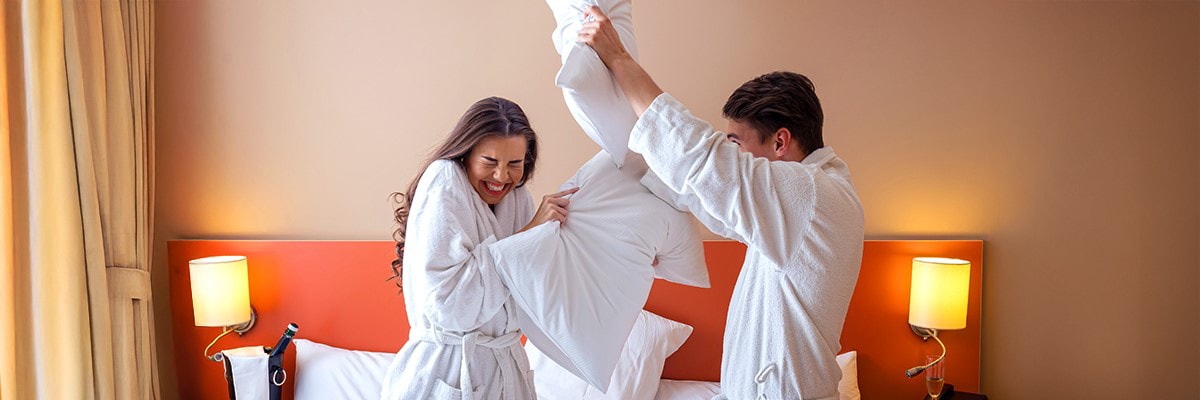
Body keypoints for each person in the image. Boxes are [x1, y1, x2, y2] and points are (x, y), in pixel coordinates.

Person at [579, 7, 866, 400]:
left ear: (780, 142)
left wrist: (619, 58)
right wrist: (633, 158)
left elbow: (703, 160)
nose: (731, 156)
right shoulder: (796, 205)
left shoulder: (814, 197)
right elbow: (709, 198)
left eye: (736, 144)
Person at [380, 97, 577, 400]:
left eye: (515, 164)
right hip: (446, 368)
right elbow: (449, 305)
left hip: (506, 368)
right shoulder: (444, 179)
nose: (502, 176)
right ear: (466, 153)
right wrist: (529, 234)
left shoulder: (518, 198)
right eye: (489, 161)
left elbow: (534, 289)